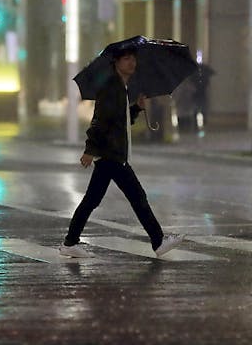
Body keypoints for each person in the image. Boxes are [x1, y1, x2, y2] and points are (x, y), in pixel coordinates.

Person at [59, 46, 185, 258]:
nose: (131, 63)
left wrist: (135, 108)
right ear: (116, 62)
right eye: (126, 59)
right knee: (137, 197)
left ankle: (70, 242)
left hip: (113, 154)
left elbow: (119, 121)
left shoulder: (120, 88)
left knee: (93, 200)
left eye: (133, 59)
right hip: (111, 155)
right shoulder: (111, 88)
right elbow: (100, 120)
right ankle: (158, 241)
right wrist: (90, 149)